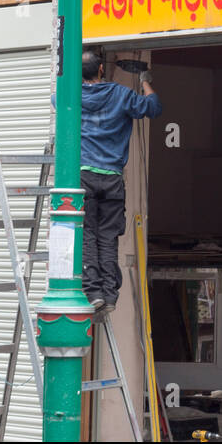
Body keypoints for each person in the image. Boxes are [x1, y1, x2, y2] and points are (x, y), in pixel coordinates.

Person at [78, 50, 161, 313]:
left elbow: (56, 100)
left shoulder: (71, 97)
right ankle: (110, 295)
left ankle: (93, 293)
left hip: (84, 177)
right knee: (108, 236)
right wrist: (145, 80)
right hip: (112, 178)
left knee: (88, 234)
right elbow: (154, 108)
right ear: (102, 69)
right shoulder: (121, 95)